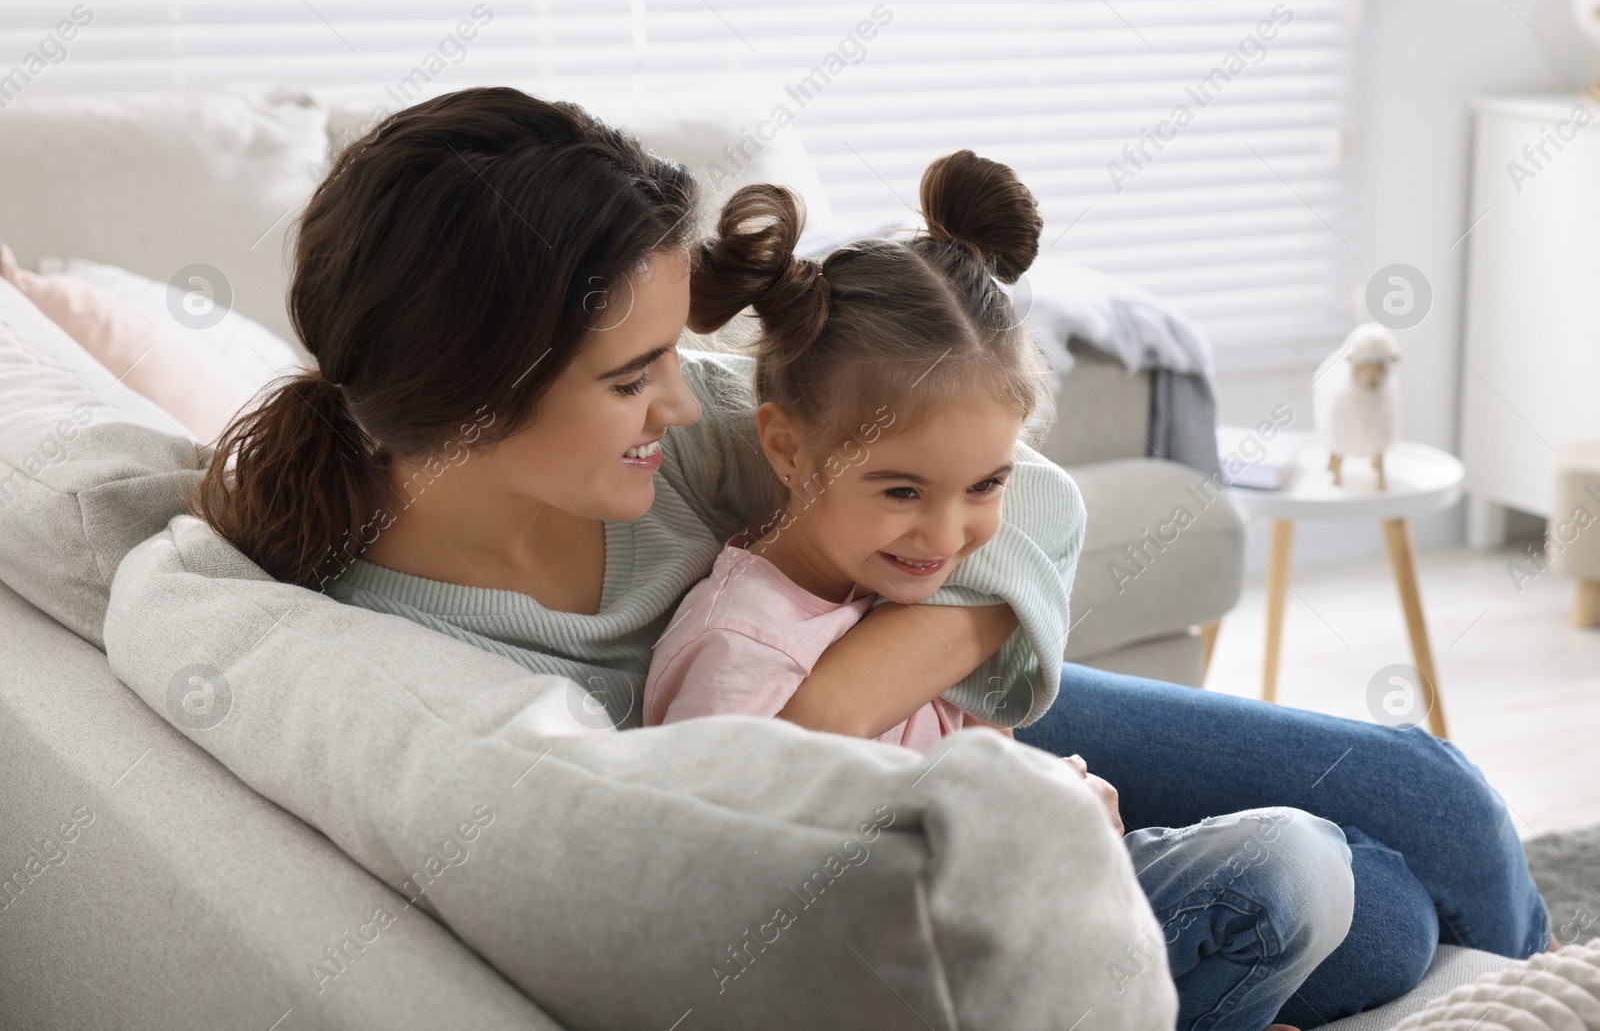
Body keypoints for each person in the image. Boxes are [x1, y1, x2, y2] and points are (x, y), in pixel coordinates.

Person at [190, 88, 1550, 1029]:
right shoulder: (392, 644)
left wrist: (843, 688)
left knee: (1432, 797)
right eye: (635, 373)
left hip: (934, 697)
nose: (681, 399)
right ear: (480, 391)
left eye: (677, 352)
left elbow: (1034, 502)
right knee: (1347, 903)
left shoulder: (675, 441)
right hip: (913, 790)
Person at [642, 157, 1398, 1030]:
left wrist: (1053, 799)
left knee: (1312, 857)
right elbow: (752, 902)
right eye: (900, 491)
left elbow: (983, 753)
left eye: (986, 485)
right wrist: (1031, 828)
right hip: (921, 972)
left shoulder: (894, 590)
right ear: (784, 446)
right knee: (1286, 869)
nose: (945, 536)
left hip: (1027, 909)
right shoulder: (742, 649)